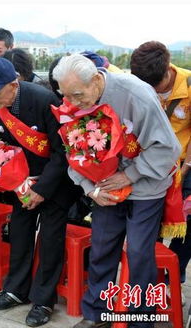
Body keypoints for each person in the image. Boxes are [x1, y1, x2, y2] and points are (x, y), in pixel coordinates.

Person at [51, 54, 181, 328]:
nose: (72, 103)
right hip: (105, 188)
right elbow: (72, 153)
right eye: (66, 95)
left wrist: (129, 175)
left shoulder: (135, 94)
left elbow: (168, 149)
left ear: (97, 80)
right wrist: (90, 189)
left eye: (77, 95)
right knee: (101, 248)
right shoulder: (73, 99)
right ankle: (97, 314)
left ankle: (140, 319)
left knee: (138, 253)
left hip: (146, 186)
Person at [0, 58, 80, 326]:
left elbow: (63, 151)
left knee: (51, 240)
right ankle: (16, 290)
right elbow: (3, 148)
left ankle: (43, 300)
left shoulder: (44, 101)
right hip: (22, 181)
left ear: (13, 85)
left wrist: (41, 188)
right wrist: (16, 181)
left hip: (56, 182)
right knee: (19, 232)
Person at [130, 41, 191, 290]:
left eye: (157, 86)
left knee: (187, 220)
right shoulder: (137, 85)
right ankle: (148, 281)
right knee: (147, 228)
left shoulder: (188, 84)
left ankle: (173, 279)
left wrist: (185, 168)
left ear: (168, 70)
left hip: (184, 161)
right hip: (149, 162)